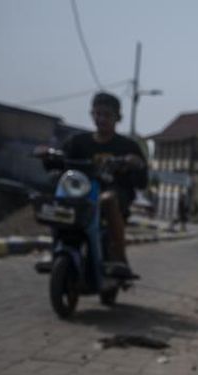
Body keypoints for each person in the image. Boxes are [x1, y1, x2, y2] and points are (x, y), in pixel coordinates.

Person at [61, 92, 147, 278]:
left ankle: (119, 258)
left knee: (109, 199)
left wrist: (136, 164)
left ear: (118, 118)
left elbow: (142, 181)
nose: (101, 119)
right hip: (80, 193)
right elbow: (61, 163)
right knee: (56, 190)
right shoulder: (77, 142)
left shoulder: (128, 147)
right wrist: (46, 154)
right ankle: (57, 247)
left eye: (107, 115)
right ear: (92, 114)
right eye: (98, 114)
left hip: (114, 196)